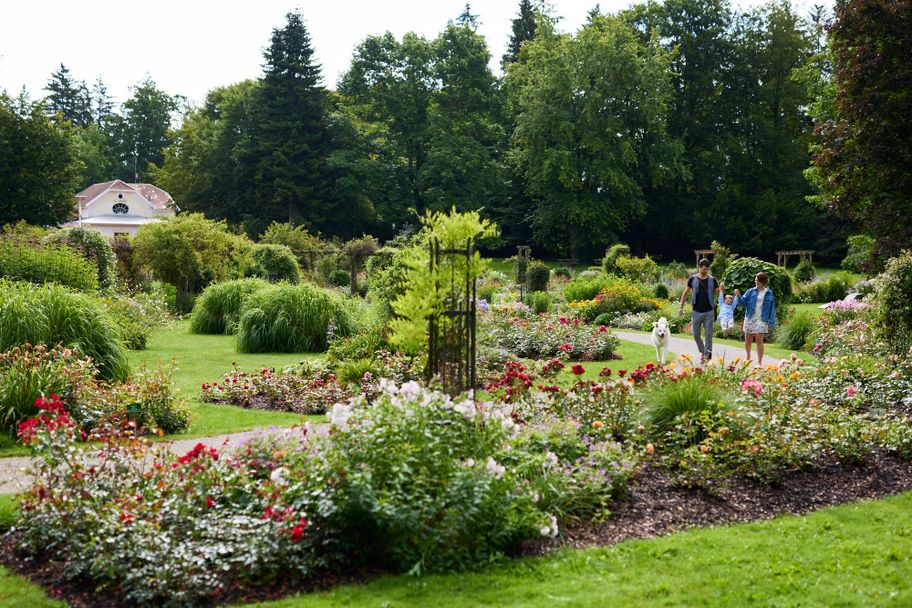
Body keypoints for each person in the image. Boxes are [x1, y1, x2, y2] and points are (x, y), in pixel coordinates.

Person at [678, 259, 721, 363]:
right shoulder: (692, 279)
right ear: (699, 267)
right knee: (695, 334)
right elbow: (685, 293)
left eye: (707, 269)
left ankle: (706, 357)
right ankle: (702, 351)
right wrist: (681, 307)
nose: (705, 270)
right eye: (703, 268)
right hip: (696, 311)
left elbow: (719, 294)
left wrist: (722, 293)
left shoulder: (713, 280)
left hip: (709, 312)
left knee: (709, 335)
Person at [735, 271, 777, 365]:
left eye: (757, 280)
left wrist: (771, 322)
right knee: (748, 340)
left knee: (759, 339)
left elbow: (772, 308)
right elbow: (743, 303)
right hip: (750, 317)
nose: (755, 282)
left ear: (762, 281)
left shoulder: (769, 293)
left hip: (762, 319)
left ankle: (759, 362)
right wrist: (738, 295)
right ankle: (748, 356)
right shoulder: (750, 291)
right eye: (755, 280)